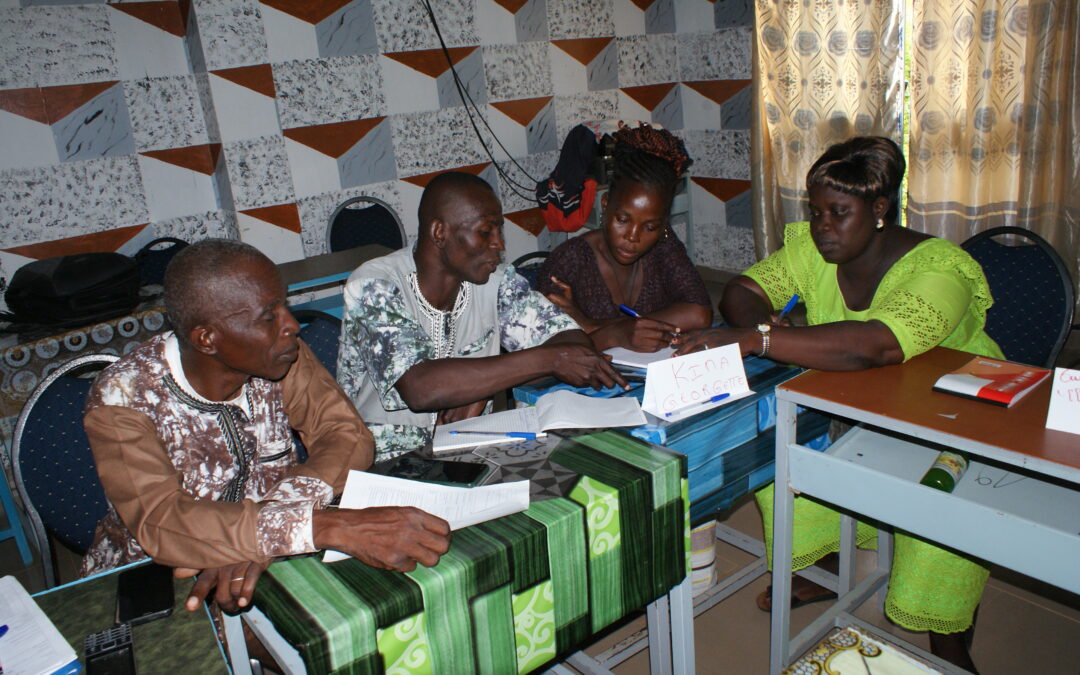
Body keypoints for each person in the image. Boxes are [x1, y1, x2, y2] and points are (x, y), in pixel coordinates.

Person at [674, 136, 1001, 671]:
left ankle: (949, 632)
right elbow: (745, 288)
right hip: (857, 400)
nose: (822, 226)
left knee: (936, 508)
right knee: (783, 450)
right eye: (816, 211)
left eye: (838, 213)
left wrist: (757, 340)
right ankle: (821, 563)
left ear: (878, 210)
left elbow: (877, 344)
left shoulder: (941, 267)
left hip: (949, 413)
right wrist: (759, 320)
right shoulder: (812, 250)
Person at [81, 239, 452, 614]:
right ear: (207, 338)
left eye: (284, 306)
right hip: (159, 581)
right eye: (268, 316)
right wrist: (320, 527)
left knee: (409, 599)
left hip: (277, 552)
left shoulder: (280, 356)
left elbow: (346, 434)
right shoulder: (122, 399)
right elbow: (162, 521)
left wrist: (276, 527)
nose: (291, 325)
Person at [337, 172, 627, 461]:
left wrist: (476, 390)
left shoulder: (496, 283)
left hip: (467, 452)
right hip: (381, 463)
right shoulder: (374, 285)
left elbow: (570, 342)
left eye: (499, 231)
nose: (499, 244)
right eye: (485, 231)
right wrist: (550, 360)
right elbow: (421, 387)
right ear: (440, 233)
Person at [538, 124, 712, 352]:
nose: (633, 237)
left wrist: (591, 326)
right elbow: (547, 351)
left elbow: (699, 313)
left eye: (650, 226)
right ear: (606, 204)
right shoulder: (568, 261)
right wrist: (618, 334)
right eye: (622, 220)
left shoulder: (664, 243)